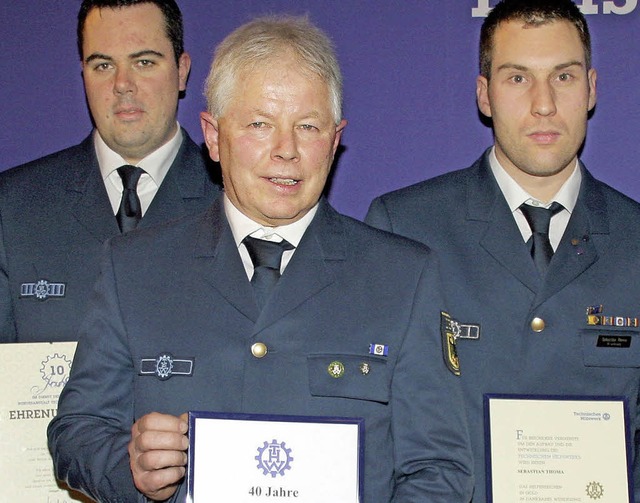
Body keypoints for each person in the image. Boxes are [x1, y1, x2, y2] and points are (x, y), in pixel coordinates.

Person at [47, 15, 474, 502]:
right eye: (259, 124)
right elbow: (76, 432)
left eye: (308, 127)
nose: (286, 151)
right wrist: (132, 470)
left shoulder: (403, 275)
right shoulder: (134, 267)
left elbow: (439, 469)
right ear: (212, 136)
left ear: (335, 141)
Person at [366, 0, 640, 501]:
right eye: (517, 78)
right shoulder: (405, 227)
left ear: (592, 89)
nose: (543, 104)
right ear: (484, 95)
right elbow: (379, 432)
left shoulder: (636, 239)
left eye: (563, 77)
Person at [0, 0, 220, 343]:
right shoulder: (13, 209)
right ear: (83, 75)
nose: (122, 84)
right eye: (103, 65)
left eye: (144, 62)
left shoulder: (233, 201)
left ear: (182, 71)